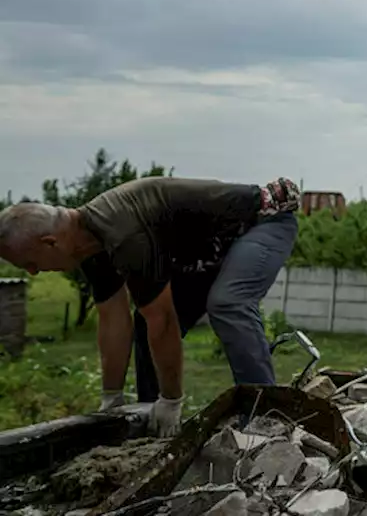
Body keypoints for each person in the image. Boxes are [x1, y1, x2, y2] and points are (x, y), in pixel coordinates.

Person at [0, 176, 300, 436]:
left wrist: (173, 399)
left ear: (51, 242)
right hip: (210, 250)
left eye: (30, 263)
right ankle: (152, 424)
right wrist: (112, 398)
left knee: (227, 302)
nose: (33, 273)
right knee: (144, 326)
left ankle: (265, 417)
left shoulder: (123, 234)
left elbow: (164, 321)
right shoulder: (90, 246)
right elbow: (113, 321)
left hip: (262, 222)